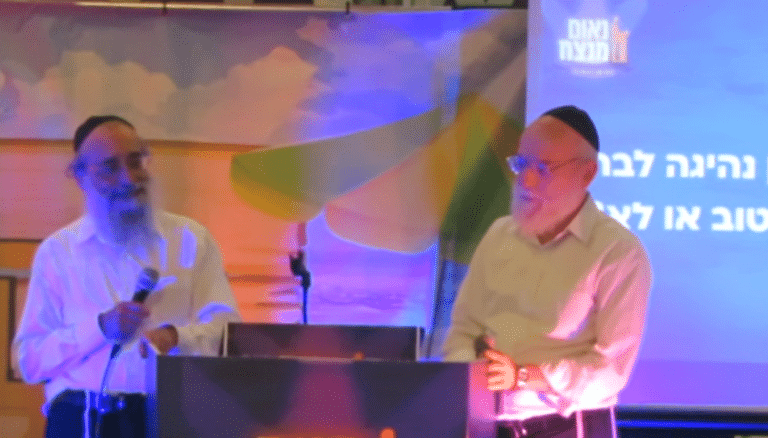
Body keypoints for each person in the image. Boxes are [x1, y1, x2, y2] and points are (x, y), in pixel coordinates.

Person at [13, 115, 241, 438]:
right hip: (81, 420)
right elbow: (31, 361)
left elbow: (229, 336)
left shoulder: (191, 240)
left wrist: (176, 337)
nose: (129, 178)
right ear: (80, 176)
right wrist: (99, 328)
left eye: (135, 161)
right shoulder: (57, 253)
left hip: (171, 418)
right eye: (110, 167)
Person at [442, 106, 652, 438]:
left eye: (543, 168)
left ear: (587, 174)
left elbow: (610, 371)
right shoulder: (499, 236)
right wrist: (471, 375)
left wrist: (524, 376)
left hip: (569, 427)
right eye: (521, 164)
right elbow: (462, 331)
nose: (526, 182)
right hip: (486, 424)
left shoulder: (618, 252)